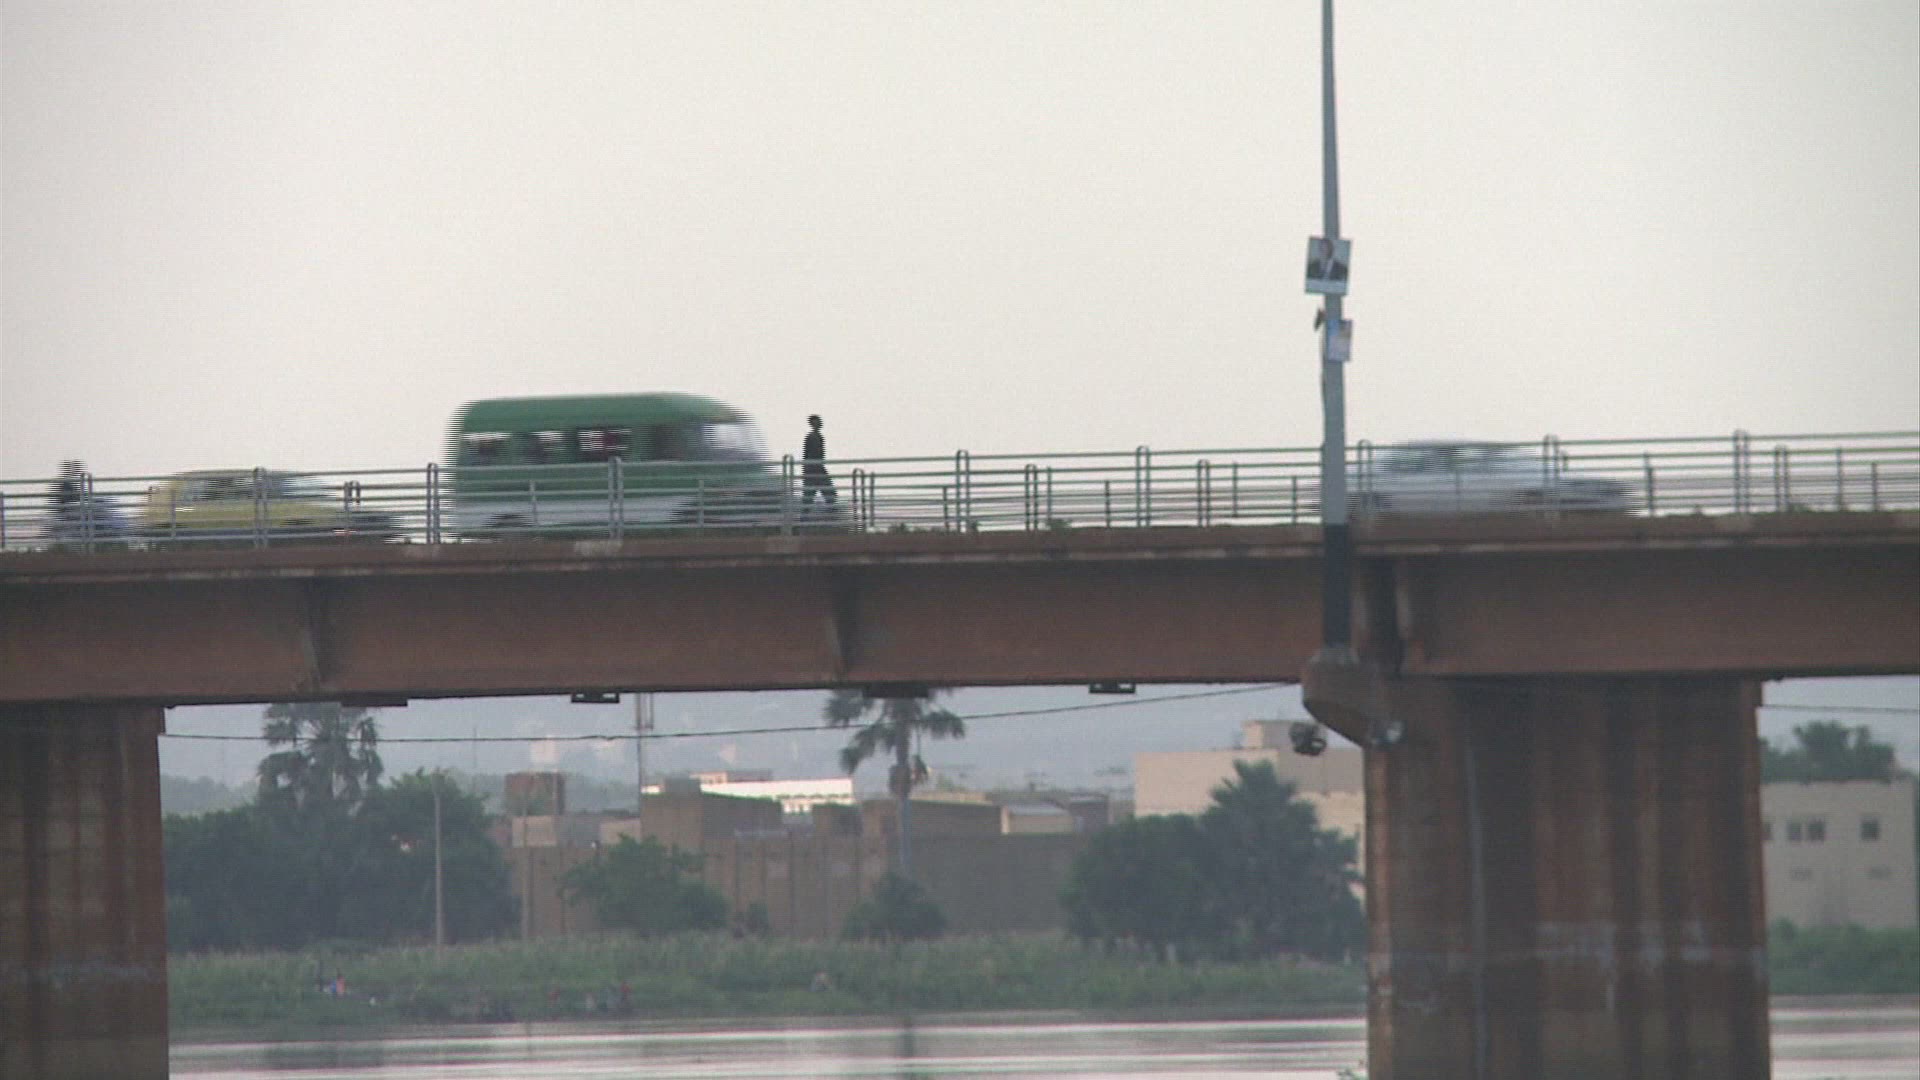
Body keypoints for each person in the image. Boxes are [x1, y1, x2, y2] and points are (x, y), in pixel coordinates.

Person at [802, 414, 836, 508]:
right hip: (814, 468)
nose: (820, 423)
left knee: (811, 494)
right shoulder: (812, 437)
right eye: (817, 421)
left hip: (815, 467)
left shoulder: (818, 436)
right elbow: (807, 453)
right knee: (812, 494)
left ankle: (829, 511)